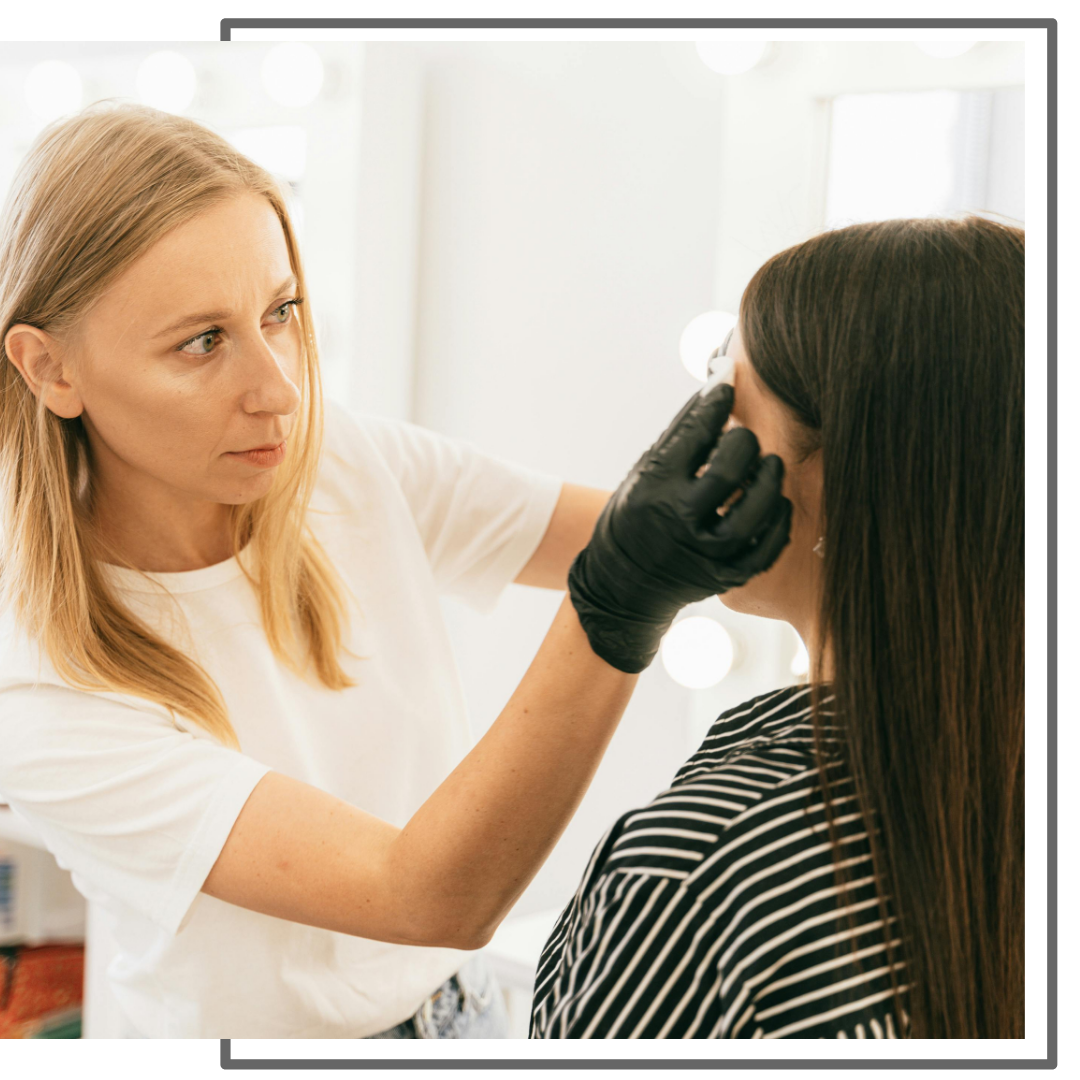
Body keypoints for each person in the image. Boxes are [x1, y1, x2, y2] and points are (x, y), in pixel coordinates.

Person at [0, 102, 791, 1040]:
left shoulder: (335, 464)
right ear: (50, 369)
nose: (280, 389)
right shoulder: (38, 684)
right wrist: (615, 607)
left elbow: (634, 527)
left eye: (280, 312)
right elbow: (424, 895)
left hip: (456, 1012)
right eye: (203, 342)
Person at [529, 216, 1025, 1040]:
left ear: (840, 478)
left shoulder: (702, 867)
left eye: (728, 396)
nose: (702, 441)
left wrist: (617, 595)